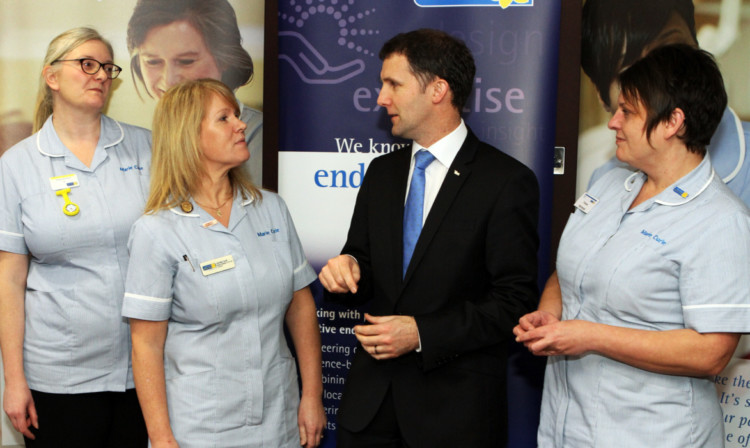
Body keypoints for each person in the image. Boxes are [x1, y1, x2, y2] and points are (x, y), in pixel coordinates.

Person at [515, 44, 750, 447]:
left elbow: (711, 351)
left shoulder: (721, 220)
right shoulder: (609, 184)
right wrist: (549, 313)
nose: (613, 122)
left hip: (654, 434)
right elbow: (573, 267)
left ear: (673, 122)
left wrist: (590, 336)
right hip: (566, 426)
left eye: (628, 111)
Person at [318, 29, 540, 447]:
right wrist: (345, 271)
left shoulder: (505, 181)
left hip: (453, 416)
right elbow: (362, 264)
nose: (381, 98)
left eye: (394, 84)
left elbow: (515, 301)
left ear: (438, 89)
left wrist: (421, 333)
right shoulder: (382, 175)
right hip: (369, 411)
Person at [122, 78, 325, 447]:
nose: (241, 124)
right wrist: (161, 437)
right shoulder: (156, 231)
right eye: (224, 118)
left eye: (237, 114)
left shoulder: (271, 209)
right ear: (189, 136)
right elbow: (146, 346)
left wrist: (311, 395)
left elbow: (301, 306)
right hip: (202, 428)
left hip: (280, 418)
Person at [0, 27, 150, 446]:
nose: (101, 75)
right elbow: (9, 279)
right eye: (87, 65)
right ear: (52, 77)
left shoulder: (146, 150)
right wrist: (14, 381)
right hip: (59, 377)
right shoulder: (17, 165)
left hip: (145, 370)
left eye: (107, 67)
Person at [577, 0, 750, 205]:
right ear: (603, 97)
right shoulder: (604, 182)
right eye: (632, 73)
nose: (660, 80)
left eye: (672, 53)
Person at [126, 0, 263, 185]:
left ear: (224, 58)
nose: (169, 80)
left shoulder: (258, 138)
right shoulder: (137, 143)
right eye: (153, 62)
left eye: (186, 61)